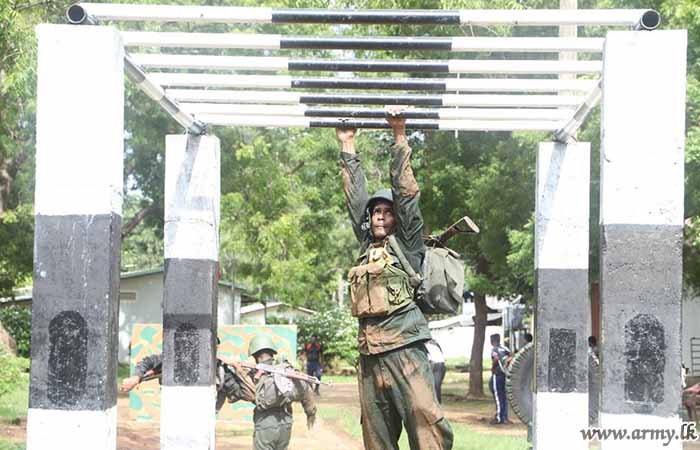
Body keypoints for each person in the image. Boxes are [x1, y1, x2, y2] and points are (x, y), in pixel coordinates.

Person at [336, 107, 453, 450]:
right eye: (376, 212)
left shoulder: (408, 243)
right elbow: (355, 198)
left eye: (386, 213)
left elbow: (406, 195)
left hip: (405, 349)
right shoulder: (364, 246)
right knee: (377, 438)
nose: (380, 217)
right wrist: (347, 145)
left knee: (425, 424)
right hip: (370, 355)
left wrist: (399, 136)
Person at [489, 333, 510, 425]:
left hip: (497, 374)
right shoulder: (505, 348)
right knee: (504, 396)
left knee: (498, 397)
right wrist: (506, 365)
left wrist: (493, 368)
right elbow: (512, 356)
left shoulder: (494, 349)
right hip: (505, 375)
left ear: (492, 341)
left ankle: (498, 418)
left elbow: (496, 359)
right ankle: (505, 417)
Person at [425, 339, 446, 404]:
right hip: (440, 365)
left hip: (436, 365)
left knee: (435, 386)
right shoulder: (434, 342)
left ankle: (437, 404)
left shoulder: (425, 344)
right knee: (435, 386)